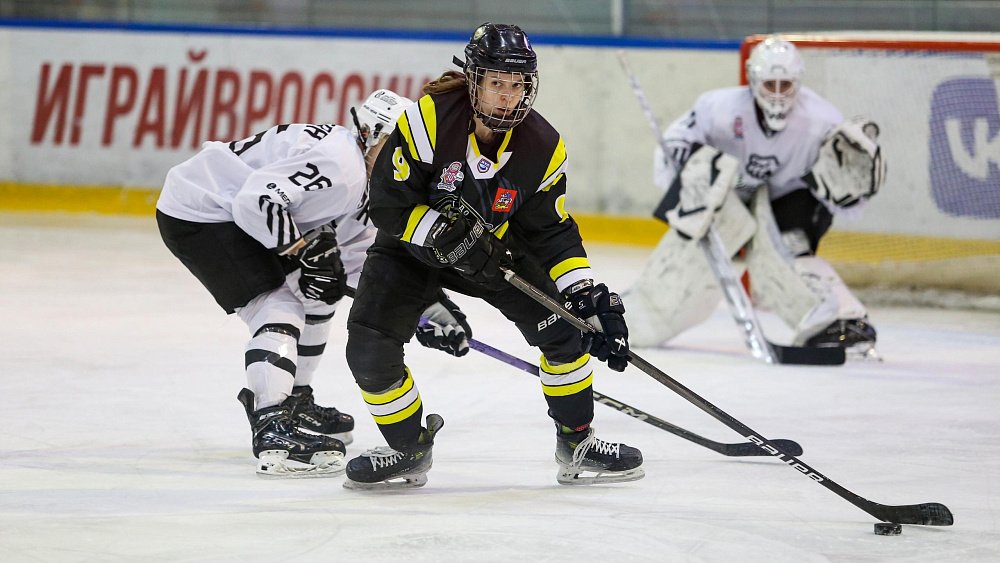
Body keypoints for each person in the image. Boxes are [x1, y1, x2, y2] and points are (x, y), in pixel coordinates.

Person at [342, 22, 644, 490]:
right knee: (367, 345)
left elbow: (552, 231)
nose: (508, 96)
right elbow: (386, 203)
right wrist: (439, 233)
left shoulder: (543, 147)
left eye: (518, 85)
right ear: (474, 80)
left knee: (567, 333)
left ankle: (576, 441)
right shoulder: (427, 121)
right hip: (410, 250)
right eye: (497, 83)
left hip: (495, 253)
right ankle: (407, 447)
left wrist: (583, 294)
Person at [156, 89, 473, 478]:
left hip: (234, 213)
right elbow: (257, 201)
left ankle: (294, 400)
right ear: (371, 134)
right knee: (278, 308)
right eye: (396, 148)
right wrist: (302, 248)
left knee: (321, 293)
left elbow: (358, 260)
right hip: (201, 209)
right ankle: (272, 427)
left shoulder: (369, 185)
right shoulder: (343, 164)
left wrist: (424, 310)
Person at [623, 35, 885, 358]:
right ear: (753, 80)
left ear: (797, 82)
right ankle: (637, 320)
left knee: (787, 251)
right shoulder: (717, 109)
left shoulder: (822, 122)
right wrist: (687, 169)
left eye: (785, 85)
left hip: (789, 201)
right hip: (726, 198)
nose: (777, 95)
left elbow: (844, 192)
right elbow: (674, 146)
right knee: (692, 261)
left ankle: (842, 321)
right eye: (769, 85)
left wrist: (850, 191)